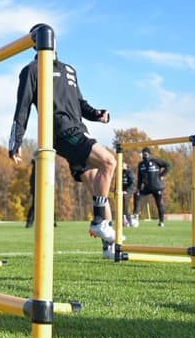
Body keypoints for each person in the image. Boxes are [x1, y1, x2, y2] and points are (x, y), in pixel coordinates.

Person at [7, 27, 118, 254]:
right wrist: (15, 142)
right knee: (109, 162)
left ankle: (110, 245)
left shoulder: (70, 69)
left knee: (97, 182)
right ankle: (98, 222)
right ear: (35, 43)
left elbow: (80, 103)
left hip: (79, 128)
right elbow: (22, 108)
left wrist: (97, 114)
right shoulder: (32, 70)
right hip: (61, 131)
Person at [134, 147, 171, 226]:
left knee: (159, 203)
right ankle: (136, 213)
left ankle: (162, 221)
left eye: (145, 153)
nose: (144, 155)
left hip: (157, 186)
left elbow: (168, 165)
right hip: (147, 187)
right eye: (143, 154)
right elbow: (139, 177)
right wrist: (138, 188)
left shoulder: (155, 161)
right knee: (137, 194)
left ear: (149, 154)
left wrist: (162, 175)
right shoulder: (141, 164)